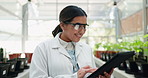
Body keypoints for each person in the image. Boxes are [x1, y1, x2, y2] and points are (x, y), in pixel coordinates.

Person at [30, 5, 113, 78]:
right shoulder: (43, 49)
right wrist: (74, 76)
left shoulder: (86, 48)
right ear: (62, 25)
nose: (82, 31)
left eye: (84, 27)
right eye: (77, 26)